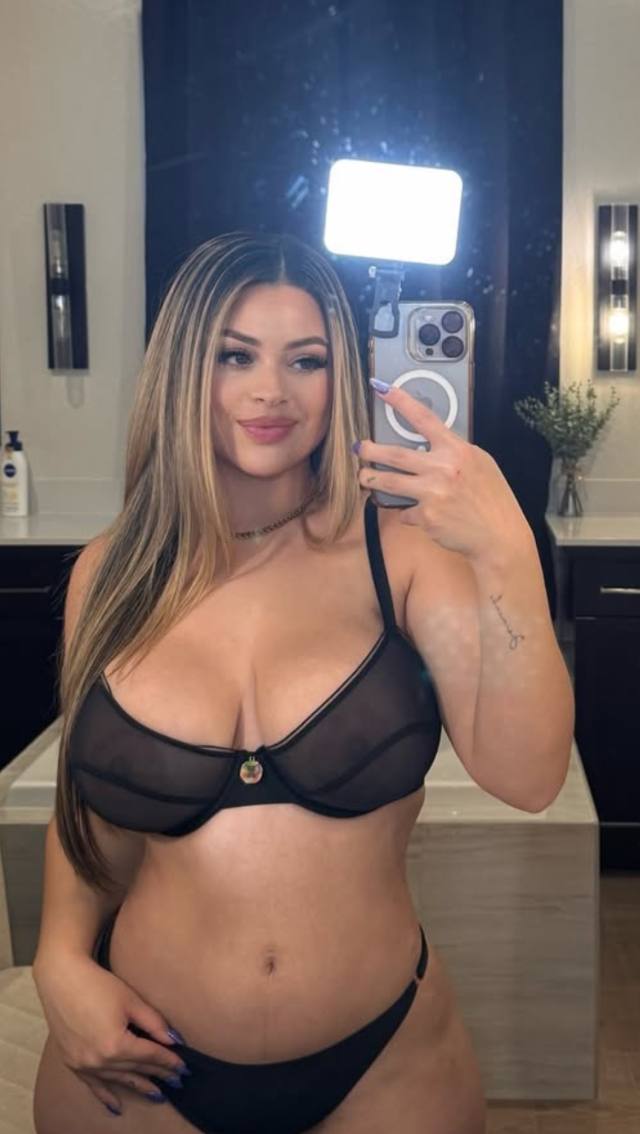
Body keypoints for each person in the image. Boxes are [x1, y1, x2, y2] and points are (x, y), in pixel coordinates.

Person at [31, 231, 488, 1134]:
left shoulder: (403, 558)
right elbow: (89, 812)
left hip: (383, 1060)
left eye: (306, 360)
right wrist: (57, 960)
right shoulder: (109, 573)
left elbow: (528, 770)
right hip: (143, 1064)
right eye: (234, 355)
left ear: (342, 377)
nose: (272, 390)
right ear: (181, 372)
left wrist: (503, 543)